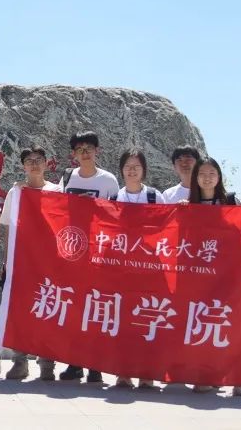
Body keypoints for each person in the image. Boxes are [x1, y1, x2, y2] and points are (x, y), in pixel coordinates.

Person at [184, 157, 241, 397]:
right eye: (202, 173)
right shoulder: (189, 205)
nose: (207, 177)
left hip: (230, 275)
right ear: (195, 178)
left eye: (212, 173)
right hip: (201, 278)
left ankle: (238, 378)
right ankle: (206, 375)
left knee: (233, 326)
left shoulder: (231, 202)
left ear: (219, 177)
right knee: (205, 326)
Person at [58, 131, 118, 383]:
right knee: (74, 308)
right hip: (73, 252)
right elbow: (56, 209)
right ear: (74, 153)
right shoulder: (67, 177)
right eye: (79, 149)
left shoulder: (108, 180)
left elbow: (118, 215)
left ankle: (96, 365)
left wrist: (94, 207)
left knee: (97, 308)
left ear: (97, 151)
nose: (84, 153)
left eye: (89, 148)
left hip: (99, 253)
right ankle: (74, 363)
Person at [1, 146, 60, 381]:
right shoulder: (16, 193)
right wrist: (7, 261)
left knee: (48, 309)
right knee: (21, 311)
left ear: (46, 163)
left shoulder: (57, 191)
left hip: (49, 262)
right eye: (29, 160)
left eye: (38, 159)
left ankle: (47, 363)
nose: (34, 164)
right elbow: (9, 227)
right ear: (23, 166)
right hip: (22, 260)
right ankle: (19, 361)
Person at [113, 148, 164, 390]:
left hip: (150, 269)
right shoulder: (114, 198)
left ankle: (147, 373)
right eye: (128, 166)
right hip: (123, 270)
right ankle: (123, 372)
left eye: (136, 166)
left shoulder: (155, 197)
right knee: (124, 321)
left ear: (144, 170)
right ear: (121, 170)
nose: (132, 171)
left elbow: (168, 228)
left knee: (147, 319)